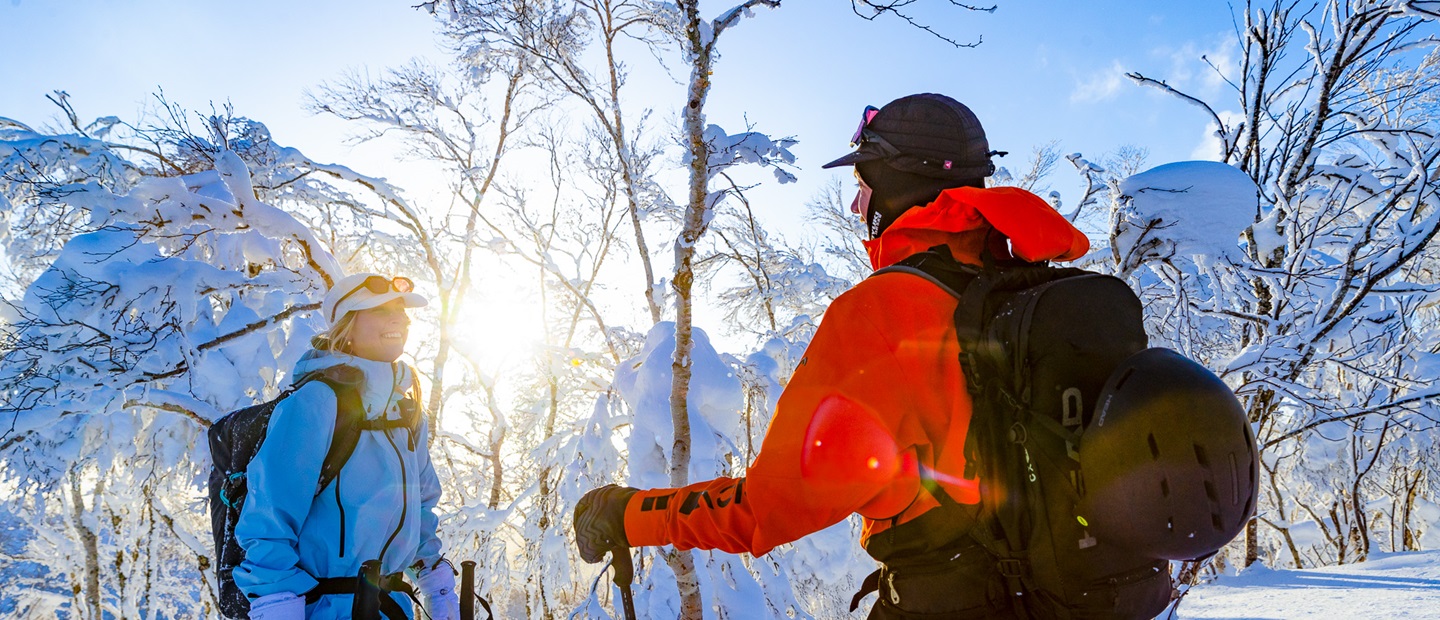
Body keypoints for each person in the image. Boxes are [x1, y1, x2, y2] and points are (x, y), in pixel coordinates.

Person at [573, 93, 1091, 618]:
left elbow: (765, 508)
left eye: (863, 186)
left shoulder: (880, 313)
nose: (855, 206)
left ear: (894, 186)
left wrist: (630, 514)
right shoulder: (1040, 298)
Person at [235, 273, 460, 620]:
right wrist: (276, 602)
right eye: (381, 310)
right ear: (347, 326)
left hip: (390, 607)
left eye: (401, 311)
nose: (398, 318)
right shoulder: (316, 402)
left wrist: (435, 578)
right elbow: (269, 515)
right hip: (325, 609)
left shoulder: (405, 409)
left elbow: (421, 505)